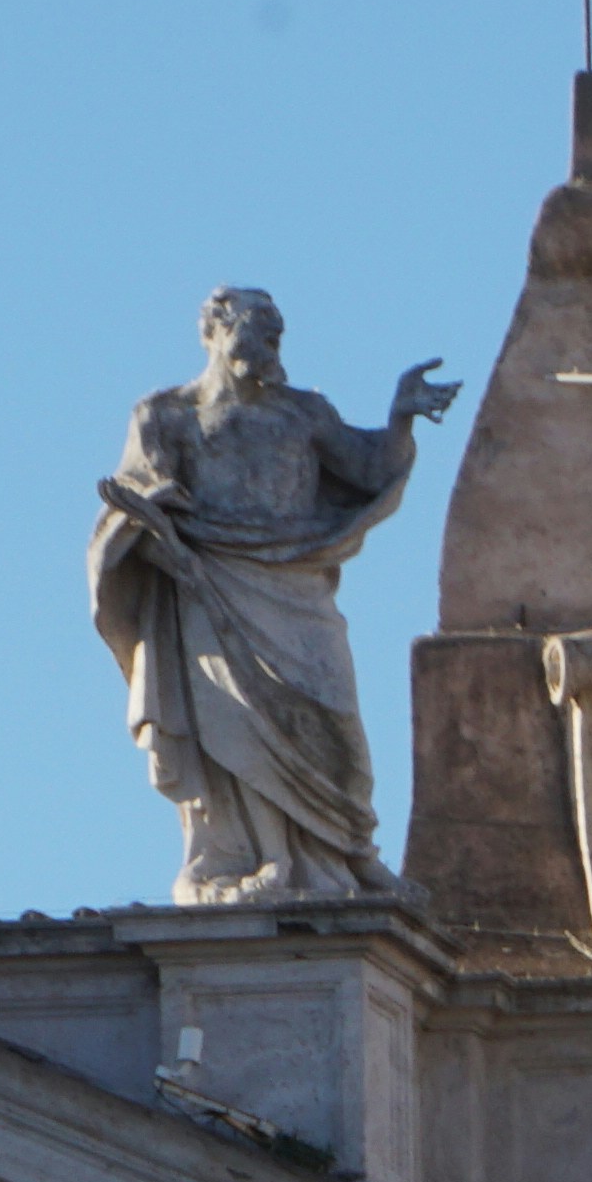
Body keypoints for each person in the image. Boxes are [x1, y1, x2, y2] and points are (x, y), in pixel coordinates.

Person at [93, 286, 451, 902]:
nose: (272, 346)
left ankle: (351, 852)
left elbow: (368, 468)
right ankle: (267, 861)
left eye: (278, 334)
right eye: (260, 330)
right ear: (215, 331)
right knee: (239, 722)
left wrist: (400, 418)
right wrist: (157, 537)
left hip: (295, 585)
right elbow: (131, 511)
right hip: (211, 583)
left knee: (337, 725)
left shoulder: (304, 413)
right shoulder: (165, 415)